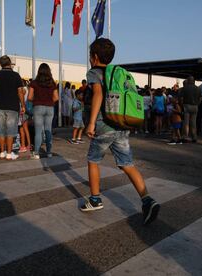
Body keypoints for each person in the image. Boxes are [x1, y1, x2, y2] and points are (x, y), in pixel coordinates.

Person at [80, 38, 160, 226]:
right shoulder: (117, 73)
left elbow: (98, 94)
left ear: (95, 56)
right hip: (121, 124)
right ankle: (147, 199)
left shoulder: (94, 72)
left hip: (104, 125)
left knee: (93, 160)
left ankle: (95, 199)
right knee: (127, 164)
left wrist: (91, 123)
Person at [28, 63, 59, 159]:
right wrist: (49, 102)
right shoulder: (52, 83)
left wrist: (36, 100)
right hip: (50, 108)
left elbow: (29, 97)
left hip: (38, 107)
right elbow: (56, 98)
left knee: (38, 131)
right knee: (48, 130)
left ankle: (36, 153)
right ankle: (49, 152)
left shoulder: (34, 83)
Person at [179, 76, 201, 143]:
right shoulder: (198, 88)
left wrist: (182, 105)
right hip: (195, 106)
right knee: (193, 122)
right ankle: (194, 137)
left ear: (188, 80)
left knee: (186, 122)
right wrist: (197, 104)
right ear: (194, 81)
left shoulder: (185, 88)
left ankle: (185, 136)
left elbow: (181, 98)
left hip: (187, 105)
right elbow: (200, 99)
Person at [18, 79, 32, 154]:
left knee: (22, 129)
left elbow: (21, 100)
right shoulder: (27, 89)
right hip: (25, 110)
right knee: (24, 128)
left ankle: (24, 145)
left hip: (22, 110)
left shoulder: (23, 90)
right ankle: (26, 145)